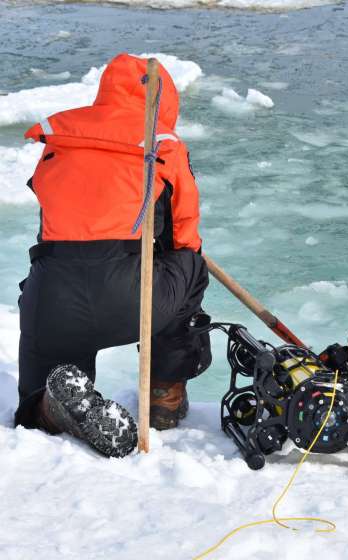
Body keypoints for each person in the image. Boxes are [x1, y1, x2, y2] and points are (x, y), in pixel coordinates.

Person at [15, 53, 211, 457]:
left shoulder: (60, 141)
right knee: (192, 266)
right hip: (131, 299)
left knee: (44, 381)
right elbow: (184, 237)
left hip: (53, 301)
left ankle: (50, 408)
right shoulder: (162, 147)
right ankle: (164, 392)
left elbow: (53, 222)